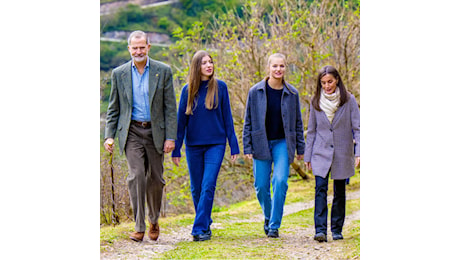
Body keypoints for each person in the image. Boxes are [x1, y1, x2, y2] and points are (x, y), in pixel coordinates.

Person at [104, 30, 177, 242]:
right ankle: (139, 226)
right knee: (135, 176)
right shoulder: (119, 74)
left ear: (148, 47)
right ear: (129, 49)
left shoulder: (163, 71)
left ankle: (154, 219)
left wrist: (170, 137)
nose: (138, 51)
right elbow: (113, 108)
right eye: (134, 48)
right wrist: (108, 136)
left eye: (141, 47)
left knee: (155, 179)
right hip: (131, 132)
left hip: (156, 131)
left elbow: (170, 107)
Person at [172, 50, 240, 242]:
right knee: (196, 188)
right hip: (193, 145)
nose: (209, 65)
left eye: (210, 62)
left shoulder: (221, 87)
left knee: (208, 185)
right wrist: (176, 149)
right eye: (204, 63)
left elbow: (227, 117)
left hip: (216, 144)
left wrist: (233, 144)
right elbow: (180, 123)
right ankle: (205, 220)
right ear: (196, 67)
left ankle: (199, 228)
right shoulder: (187, 90)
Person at [242, 53, 305, 238]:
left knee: (280, 181)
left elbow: (298, 122)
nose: (278, 69)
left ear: (286, 68)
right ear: (268, 68)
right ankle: (268, 216)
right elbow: (248, 121)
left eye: (282, 66)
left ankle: (274, 225)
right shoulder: (255, 92)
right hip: (261, 142)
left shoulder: (292, 93)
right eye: (275, 66)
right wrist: (247, 146)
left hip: (283, 144)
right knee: (261, 186)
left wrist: (300, 148)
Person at [304, 65, 360, 242]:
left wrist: (359, 152)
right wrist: (307, 155)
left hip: (342, 152)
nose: (327, 86)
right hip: (320, 152)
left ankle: (336, 229)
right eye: (323, 83)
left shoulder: (349, 100)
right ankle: (320, 230)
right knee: (320, 188)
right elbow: (311, 130)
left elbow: (357, 128)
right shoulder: (315, 101)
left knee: (339, 191)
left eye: (330, 81)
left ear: (337, 80)